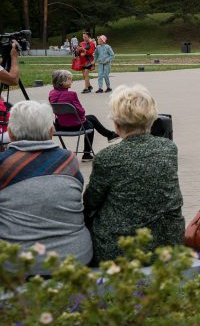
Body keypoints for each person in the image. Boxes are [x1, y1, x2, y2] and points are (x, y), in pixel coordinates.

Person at [84, 85, 184, 263]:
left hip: (120, 248)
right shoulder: (168, 148)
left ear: (116, 124)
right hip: (167, 243)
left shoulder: (107, 157)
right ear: (152, 120)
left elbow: (90, 202)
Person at [0, 101, 93, 267]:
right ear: (52, 131)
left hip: (16, 262)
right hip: (75, 257)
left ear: (10, 133)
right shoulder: (68, 160)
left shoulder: (3, 164)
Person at [49, 70, 119, 160]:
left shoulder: (52, 93)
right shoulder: (71, 94)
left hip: (60, 125)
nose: (72, 81)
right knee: (90, 124)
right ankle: (87, 153)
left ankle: (110, 135)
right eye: (70, 79)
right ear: (62, 82)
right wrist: (82, 117)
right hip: (75, 126)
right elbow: (81, 111)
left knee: (92, 117)